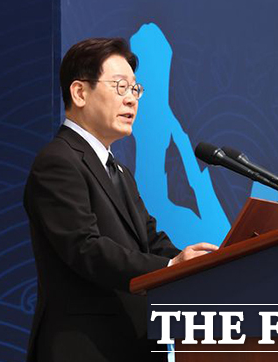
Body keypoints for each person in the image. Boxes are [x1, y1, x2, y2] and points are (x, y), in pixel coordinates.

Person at [23, 37, 217, 362]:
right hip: (86, 349)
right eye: (120, 87)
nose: (131, 100)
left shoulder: (120, 171)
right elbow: (84, 247)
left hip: (132, 346)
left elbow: (150, 240)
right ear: (79, 93)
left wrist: (195, 265)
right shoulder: (58, 162)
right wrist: (169, 266)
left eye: (135, 90)